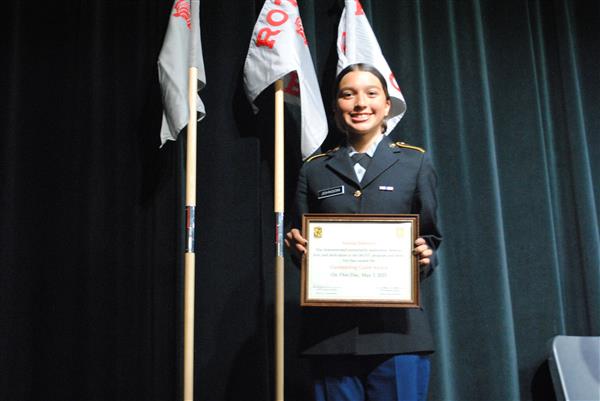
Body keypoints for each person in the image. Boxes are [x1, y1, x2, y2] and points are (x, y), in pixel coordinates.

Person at [285, 63, 442, 401]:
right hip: (330, 337)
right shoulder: (314, 170)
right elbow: (300, 240)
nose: (360, 103)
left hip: (398, 333)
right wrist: (297, 251)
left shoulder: (414, 163)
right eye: (348, 94)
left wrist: (425, 256)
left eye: (371, 94)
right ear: (336, 105)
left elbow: (430, 237)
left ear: (387, 104)